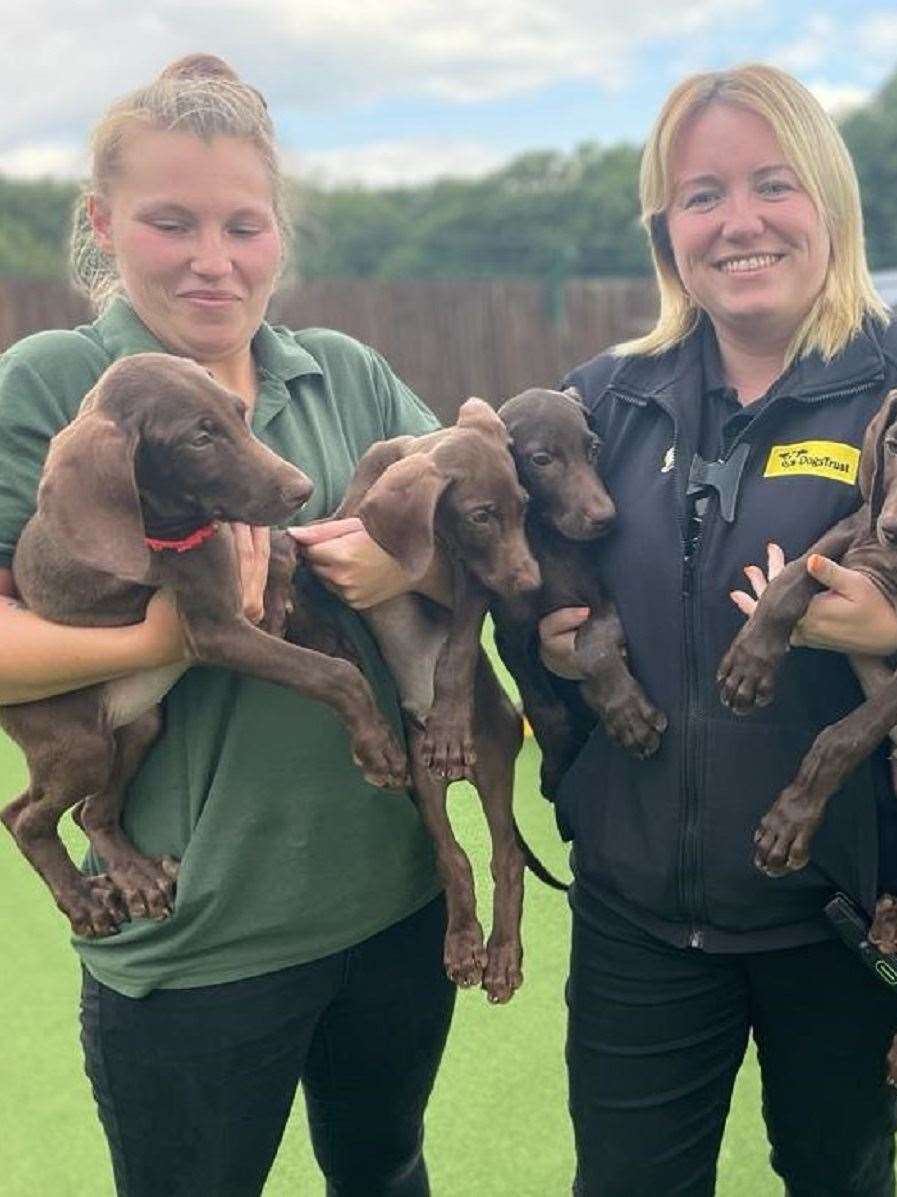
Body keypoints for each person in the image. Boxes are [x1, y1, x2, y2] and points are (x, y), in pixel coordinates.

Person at [534, 63, 897, 1195]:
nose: (739, 221)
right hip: (637, 916)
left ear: (831, 205)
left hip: (845, 913)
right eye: (702, 195)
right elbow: (529, 590)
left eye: (773, 184)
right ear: (668, 227)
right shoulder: (605, 397)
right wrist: (567, 703)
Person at [0, 55, 456, 1196]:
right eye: (172, 223)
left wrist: (405, 557)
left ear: (280, 234)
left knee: (387, 1172)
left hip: (389, 900)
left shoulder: (344, 372)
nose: (215, 260)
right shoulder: (50, 391)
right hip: (200, 936)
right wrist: (158, 642)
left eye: (244, 225)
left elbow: (473, 538)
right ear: (105, 222)